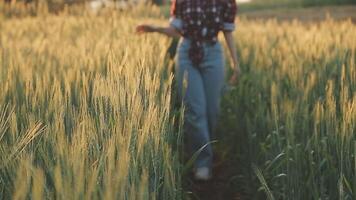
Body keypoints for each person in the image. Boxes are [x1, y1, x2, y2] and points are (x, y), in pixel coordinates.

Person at [136, 0, 240, 181]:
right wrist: (154, 29)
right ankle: (202, 163)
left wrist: (235, 63)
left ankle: (205, 149)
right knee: (195, 111)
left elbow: (227, 31)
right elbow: (176, 31)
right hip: (187, 54)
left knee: (212, 111)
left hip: (213, 53)